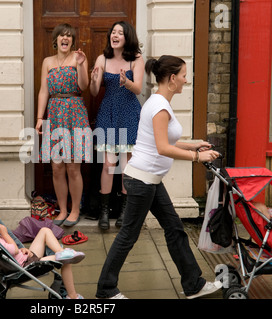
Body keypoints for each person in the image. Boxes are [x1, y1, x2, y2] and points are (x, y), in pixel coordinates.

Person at [95, 55, 223, 299]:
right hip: (143, 181)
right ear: (173, 79)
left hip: (150, 179)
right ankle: (105, 289)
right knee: (128, 236)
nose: (187, 80)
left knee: (174, 228)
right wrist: (197, 158)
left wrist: (193, 145)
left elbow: (162, 141)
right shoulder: (160, 106)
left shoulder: (157, 102)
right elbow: (163, 148)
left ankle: (192, 284)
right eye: (184, 75)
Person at [90, 21, 145, 229]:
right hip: (108, 113)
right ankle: (104, 213)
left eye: (119, 33)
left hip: (129, 113)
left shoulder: (136, 59)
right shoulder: (102, 58)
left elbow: (138, 89)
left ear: (127, 37)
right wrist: (95, 79)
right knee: (108, 164)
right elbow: (95, 92)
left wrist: (126, 82)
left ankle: (124, 211)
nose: (115, 35)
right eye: (113, 32)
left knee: (125, 166)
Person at [0, 206, 85, 299]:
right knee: (66, 261)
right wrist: (5, 234)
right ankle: (73, 296)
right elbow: (13, 249)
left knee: (44, 230)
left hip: (25, 257)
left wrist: (22, 250)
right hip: (24, 265)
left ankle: (60, 251)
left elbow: (13, 252)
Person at [36, 23, 91, 227]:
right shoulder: (47, 62)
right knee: (57, 167)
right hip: (54, 113)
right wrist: (40, 118)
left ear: (72, 41)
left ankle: (75, 210)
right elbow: (43, 90)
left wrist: (82, 64)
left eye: (69, 36)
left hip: (75, 112)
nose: (65, 38)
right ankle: (63, 210)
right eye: (62, 35)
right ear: (56, 39)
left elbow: (84, 86)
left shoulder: (78, 59)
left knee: (72, 167)